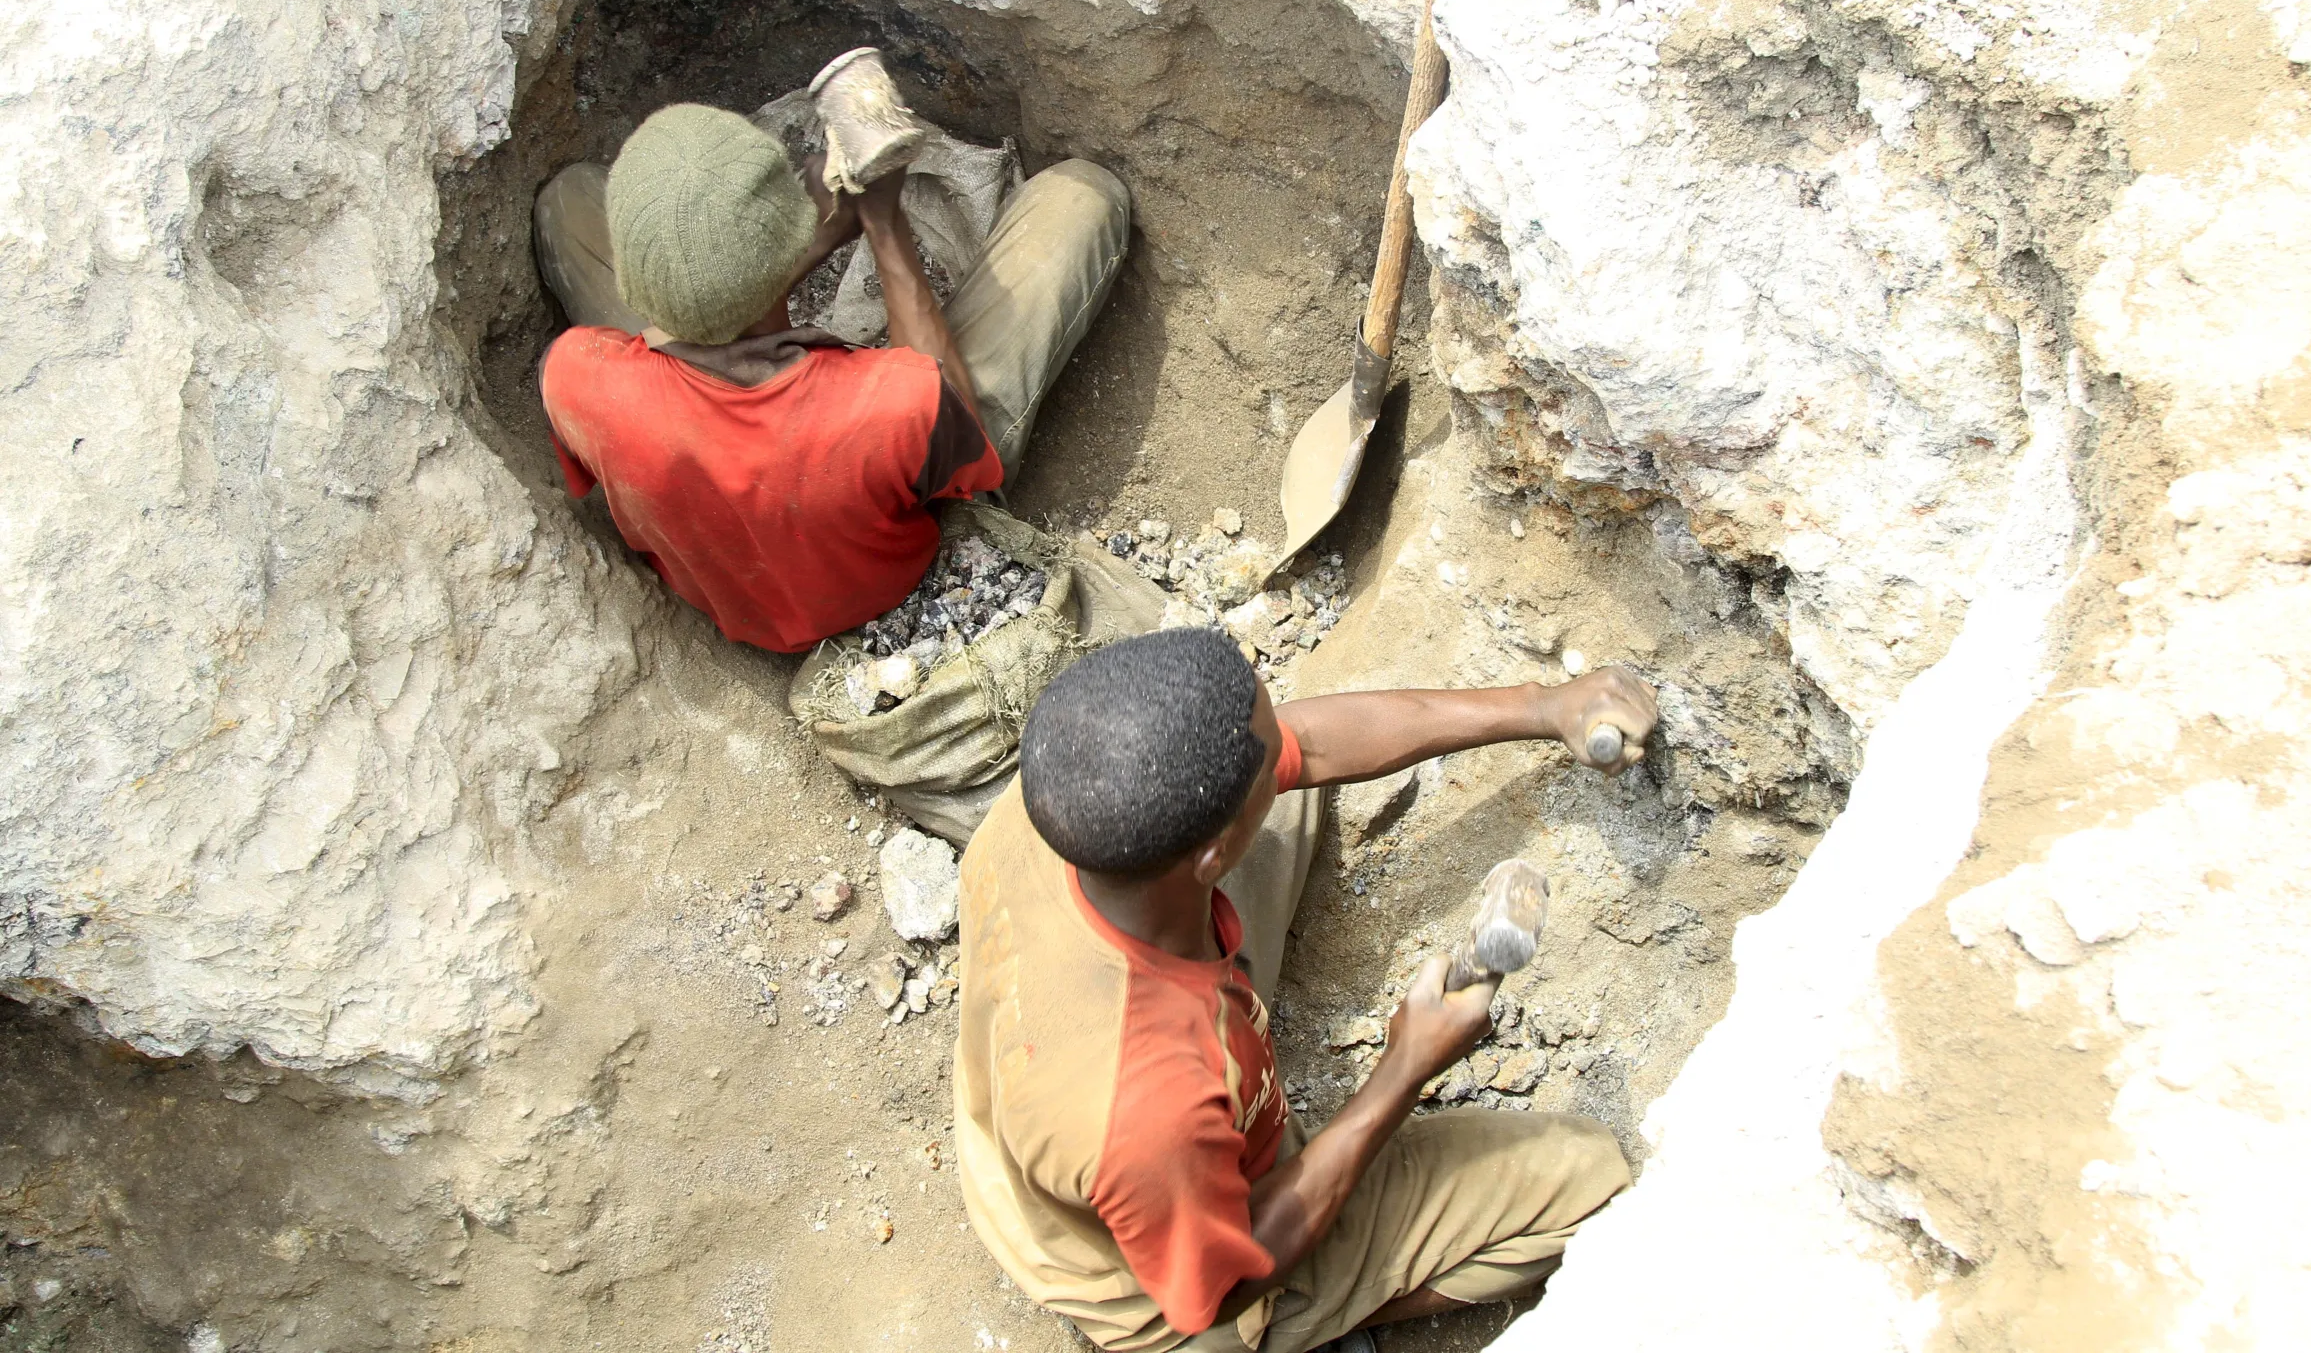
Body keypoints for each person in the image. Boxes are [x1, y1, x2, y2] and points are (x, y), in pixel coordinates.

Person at [954, 628, 1660, 1352]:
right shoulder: (1145, 1107)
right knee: (1590, 1182)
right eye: (1276, 747)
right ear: (1212, 857)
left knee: (1287, 792)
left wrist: (1544, 708)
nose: (1292, 745)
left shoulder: (1068, 787)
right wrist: (1403, 1070)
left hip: (1064, 1130)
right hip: (1170, 1283)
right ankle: (1322, 1314)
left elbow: (1308, 745)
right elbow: (1221, 1287)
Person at [533, 97, 1129, 653]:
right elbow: (931, 398)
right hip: (888, 570)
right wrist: (882, 224)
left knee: (567, 200)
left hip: (727, 583)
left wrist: (810, 244)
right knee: (1085, 197)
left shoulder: (576, 374)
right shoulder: (893, 405)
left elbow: (696, 344)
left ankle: (707, 279)